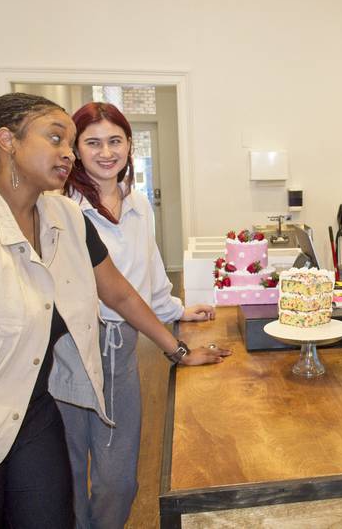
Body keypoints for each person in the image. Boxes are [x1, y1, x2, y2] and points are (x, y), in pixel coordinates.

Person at [0, 93, 228, 528]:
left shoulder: (64, 216)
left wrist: (177, 349)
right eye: (58, 138)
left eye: (70, 142)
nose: (68, 152)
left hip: (32, 411)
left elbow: (119, 293)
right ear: (7, 141)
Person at [58, 102, 220, 528]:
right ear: (75, 149)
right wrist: (176, 349)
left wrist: (178, 310)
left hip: (122, 348)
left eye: (115, 141)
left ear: (130, 145)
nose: (106, 152)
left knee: (118, 481)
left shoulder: (137, 203)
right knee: (69, 477)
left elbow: (146, 274)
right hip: (68, 352)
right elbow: (111, 292)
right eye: (92, 143)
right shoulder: (60, 208)